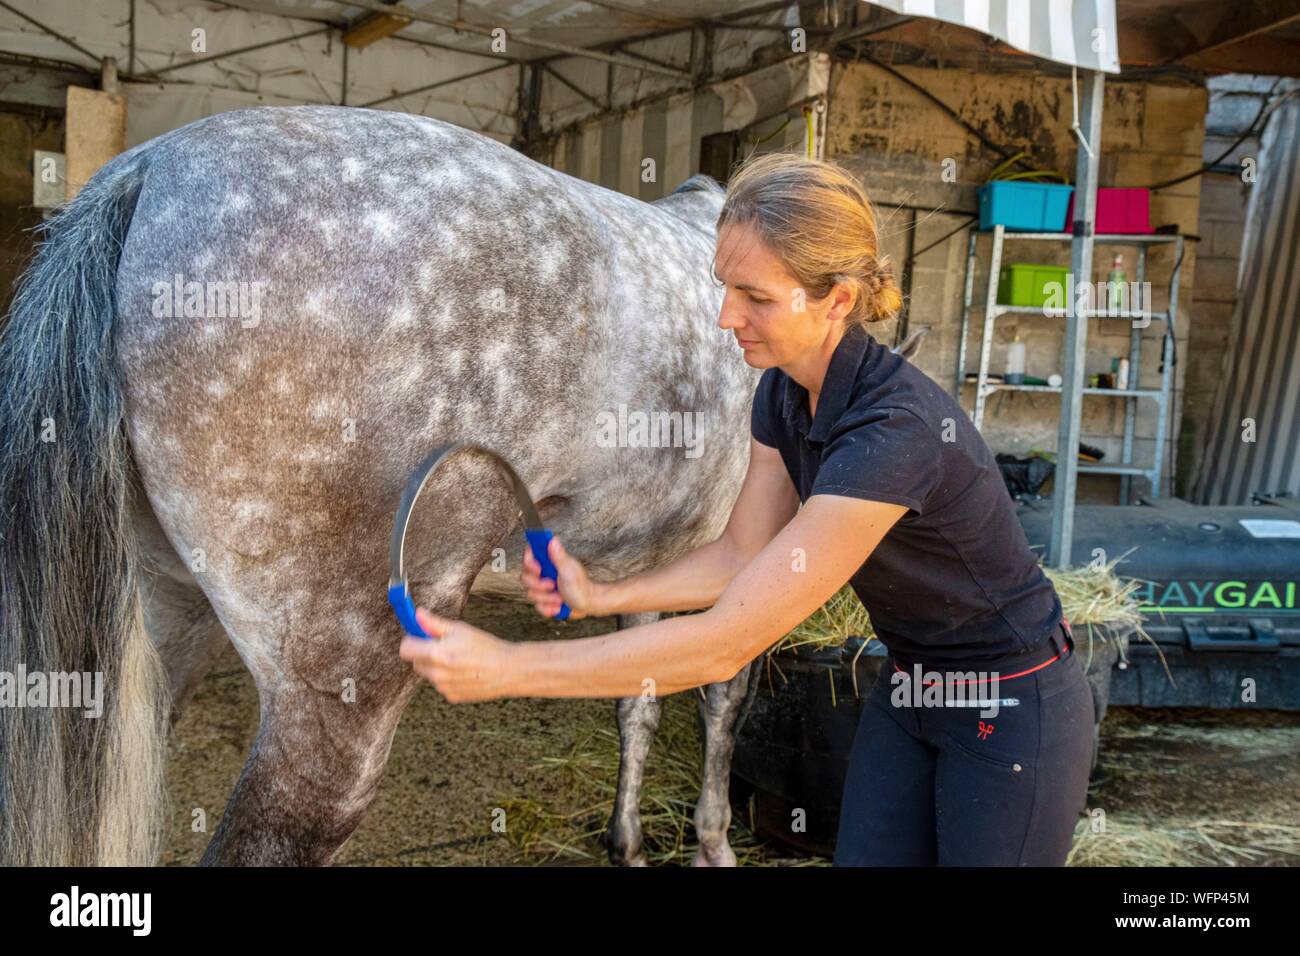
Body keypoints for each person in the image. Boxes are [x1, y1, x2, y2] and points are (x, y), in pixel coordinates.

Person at [399, 152, 1094, 866]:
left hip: (1010, 704)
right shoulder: (783, 391)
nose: (727, 315)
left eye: (755, 296)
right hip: (909, 684)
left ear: (838, 300)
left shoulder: (895, 432)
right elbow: (740, 553)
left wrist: (511, 669)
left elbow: (724, 643)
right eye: (725, 286)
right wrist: (603, 593)